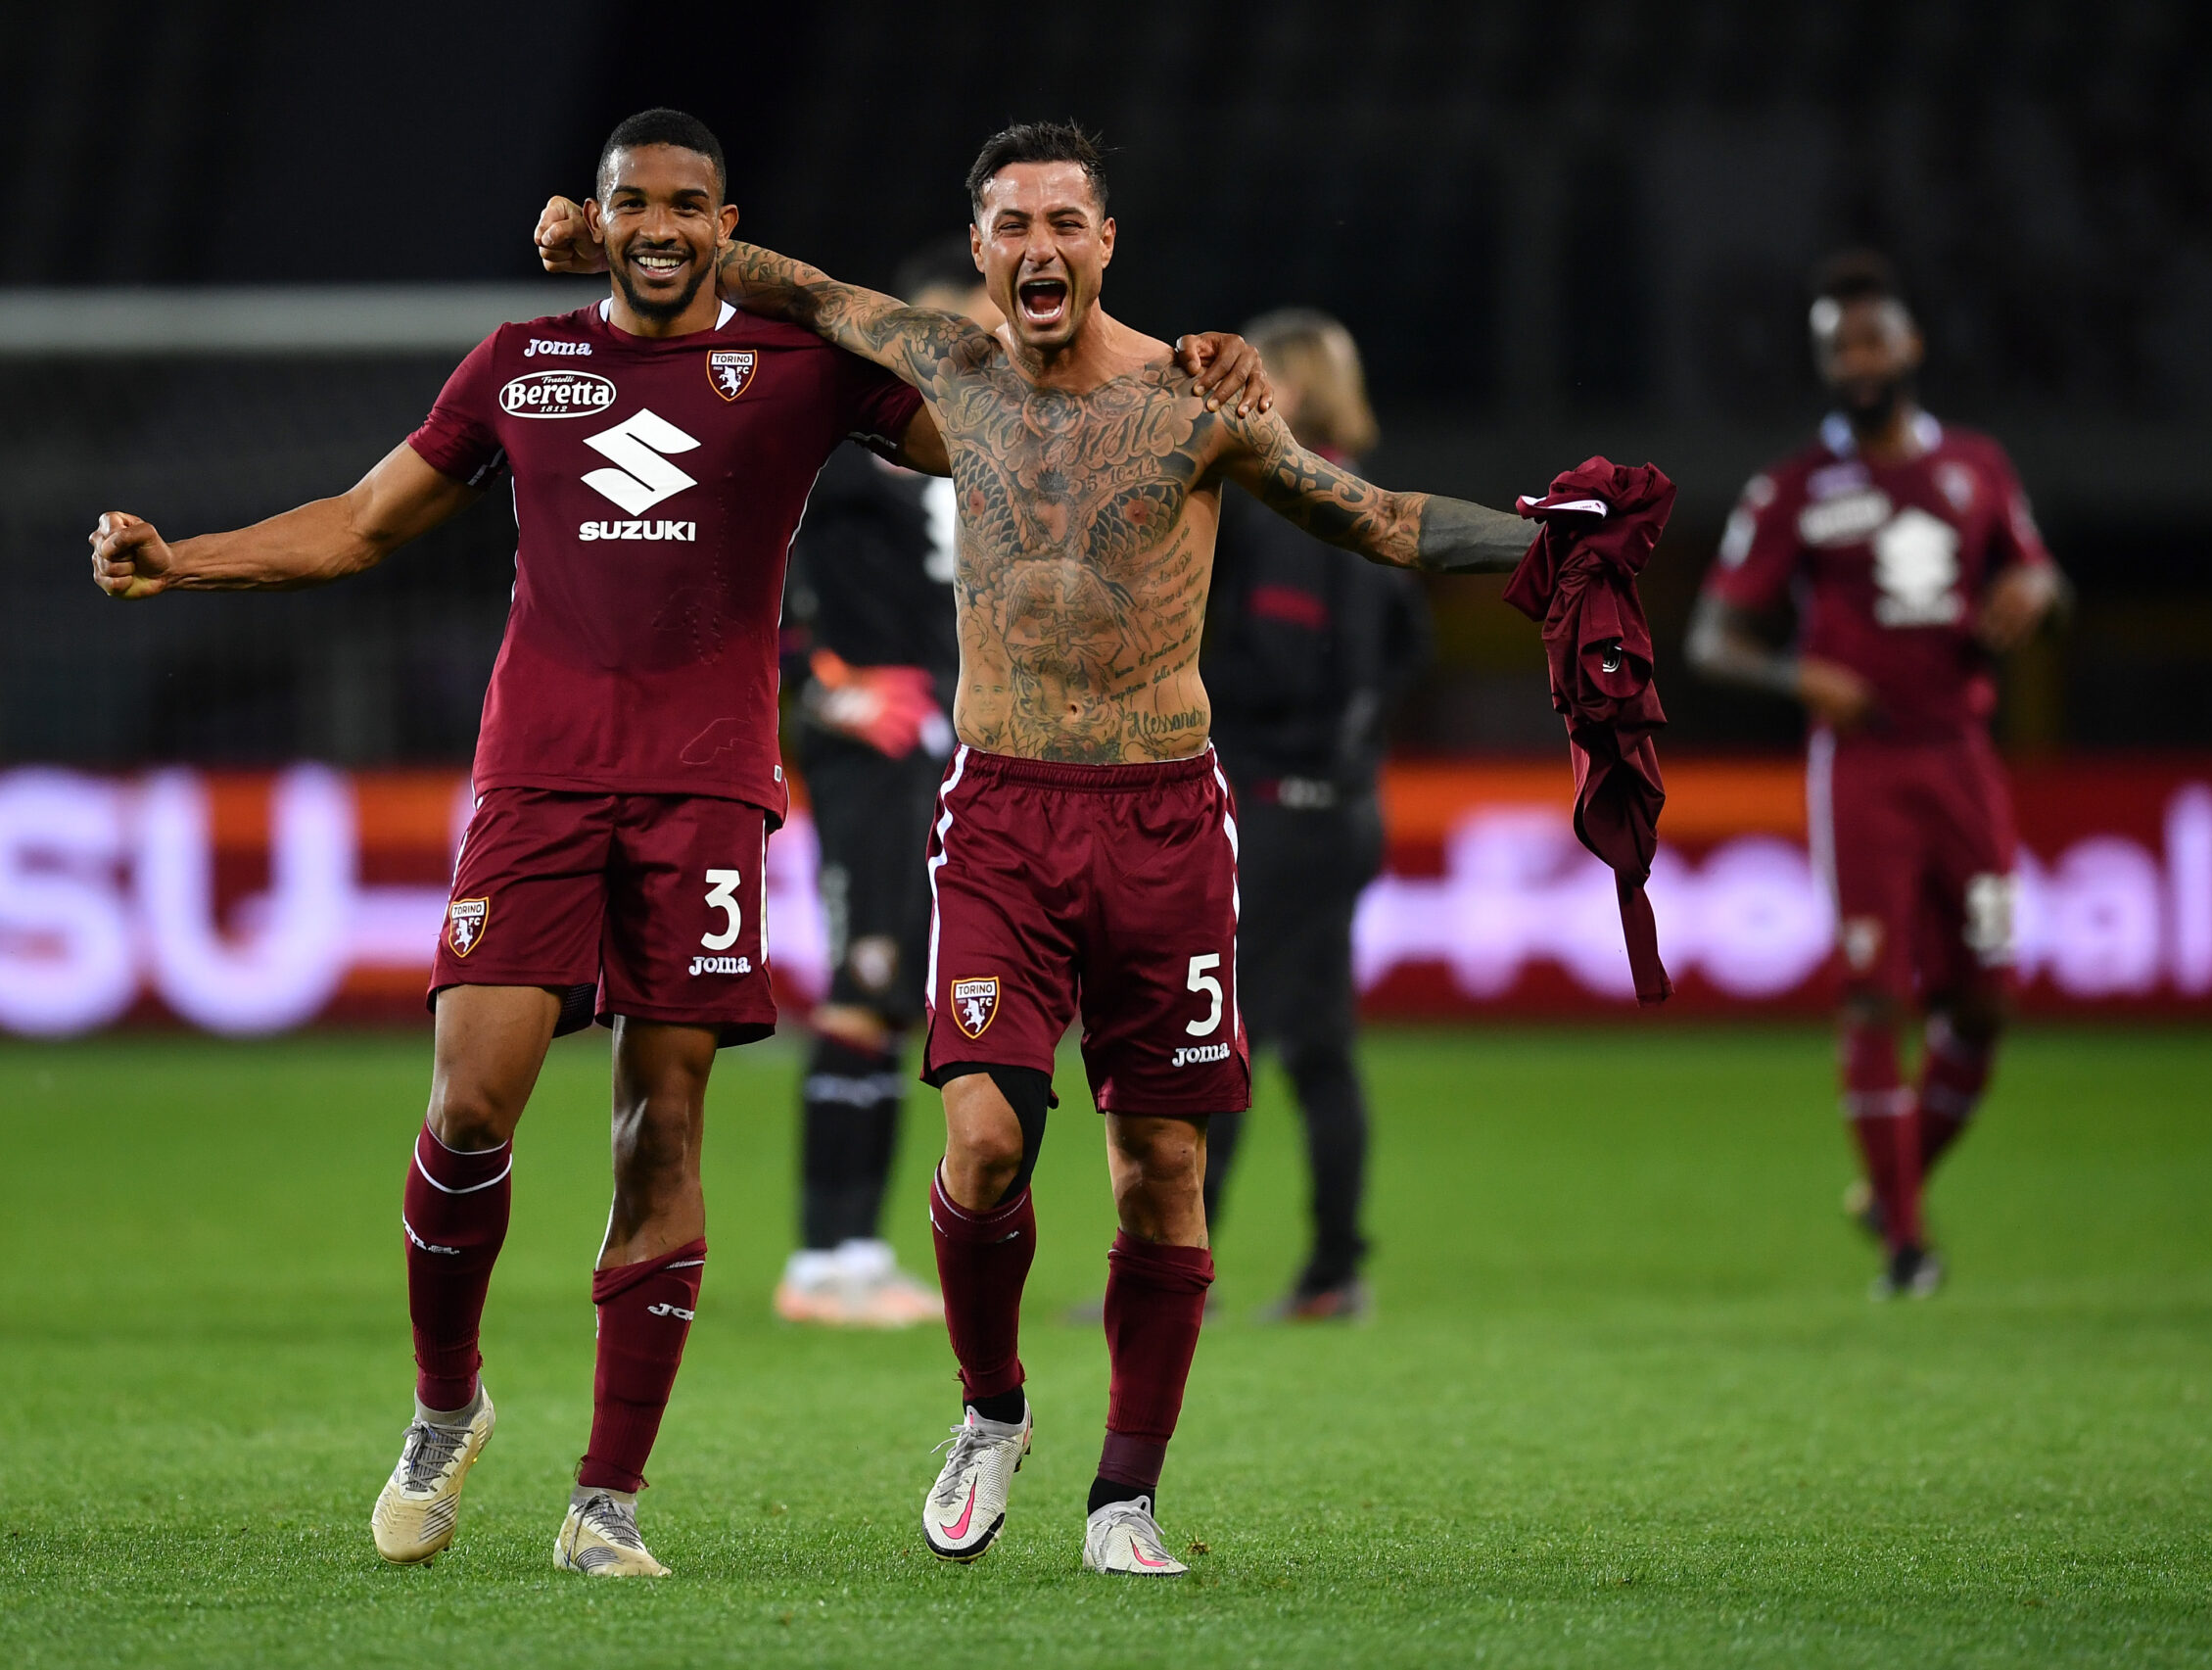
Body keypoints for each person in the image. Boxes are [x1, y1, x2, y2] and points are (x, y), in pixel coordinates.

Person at [89, 108, 1270, 1581]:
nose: (659, 227)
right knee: (470, 1106)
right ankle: (446, 1407)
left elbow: (1021, 424)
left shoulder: (797, 369)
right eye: (632, 203)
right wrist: (182, 561)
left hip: (708, 791)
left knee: (663, 1129)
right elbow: (361, 522)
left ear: (727, 222)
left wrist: (1182, 377)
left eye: (687, 204)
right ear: (593, 219)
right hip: (536, 779)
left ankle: (607, 1499)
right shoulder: (519, 362)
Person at [549, 119, 1580, 1575]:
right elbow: (786, 282)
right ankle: (992, 1407)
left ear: (1105, 243)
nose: (1039, 247)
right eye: (1012, 225)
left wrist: (1547, 541)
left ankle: (1124, 1502)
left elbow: (1384, 520)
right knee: (984, 1145)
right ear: (980, 250)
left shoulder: (1195, 399)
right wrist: (622, 240)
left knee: (1161, 1168)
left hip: (1167, 819)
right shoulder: (946, 368)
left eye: (1064, 223)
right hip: (1001, 815)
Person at [1687, 251, 2063, 1301]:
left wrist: (2041, 589)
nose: (1855, 360)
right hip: (1861, 768)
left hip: (1963, 758)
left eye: (1870, 340)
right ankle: (1906, 1242)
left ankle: (1891, 1187)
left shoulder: (1978, 467)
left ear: (1910, 346)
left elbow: (2040, 579)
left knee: (1983, 1003)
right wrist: (1795, 672)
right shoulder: (1795, 488)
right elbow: (1713, 635)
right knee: (1870, 997)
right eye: (1837, 347)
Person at [771, 241, 1003, 1328]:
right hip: (872, 744)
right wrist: (821, 688)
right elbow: (749, 561)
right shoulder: (845, 449)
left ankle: (858, 1253)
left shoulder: (960, 449)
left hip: (940, 746)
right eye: (965, 330)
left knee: (899, 993)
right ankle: (821, 1259)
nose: (983, 348)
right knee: (860, 987)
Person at [1197, 310, 1430, 1321]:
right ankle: (1335, 1271)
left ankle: (1176, 1272)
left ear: (1287, 389)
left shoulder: (1290, 509)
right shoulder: (1370, 501)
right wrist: (1354, 727)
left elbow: (1282, 664)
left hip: (1275, 811)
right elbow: (1411, 647)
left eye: (1257, 377)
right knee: (1322, 1044)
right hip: (1344, 806)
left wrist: (1182, 687)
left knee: (1212, 1035)